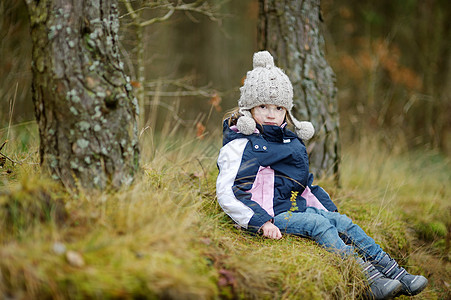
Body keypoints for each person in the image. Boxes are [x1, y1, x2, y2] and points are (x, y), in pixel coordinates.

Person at [215, 51, 428, 299]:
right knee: (317, 224)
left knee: (341, 222)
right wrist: (261, 221)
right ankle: (368, 279)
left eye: (278, 107)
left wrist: (329, 210)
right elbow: (229, 191)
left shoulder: (291, 143)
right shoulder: (242, 145)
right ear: (249, 108)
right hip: (268, 215)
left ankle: (397, 273)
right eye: (263, 106)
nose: (271, 114)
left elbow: (305, 186)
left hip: (290, 208)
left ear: (287, 111)